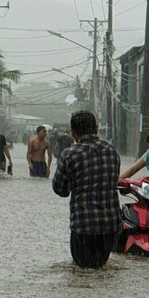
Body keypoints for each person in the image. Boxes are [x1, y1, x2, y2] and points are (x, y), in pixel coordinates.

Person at [51, 110, 120, 268]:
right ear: (96, 129)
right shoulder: (111, 151)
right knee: (101, 269)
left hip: (83, 225)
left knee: (82, 272)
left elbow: (60, 189)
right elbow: (113, 179)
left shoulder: (69, 155)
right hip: (109, 226)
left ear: (73, 133)